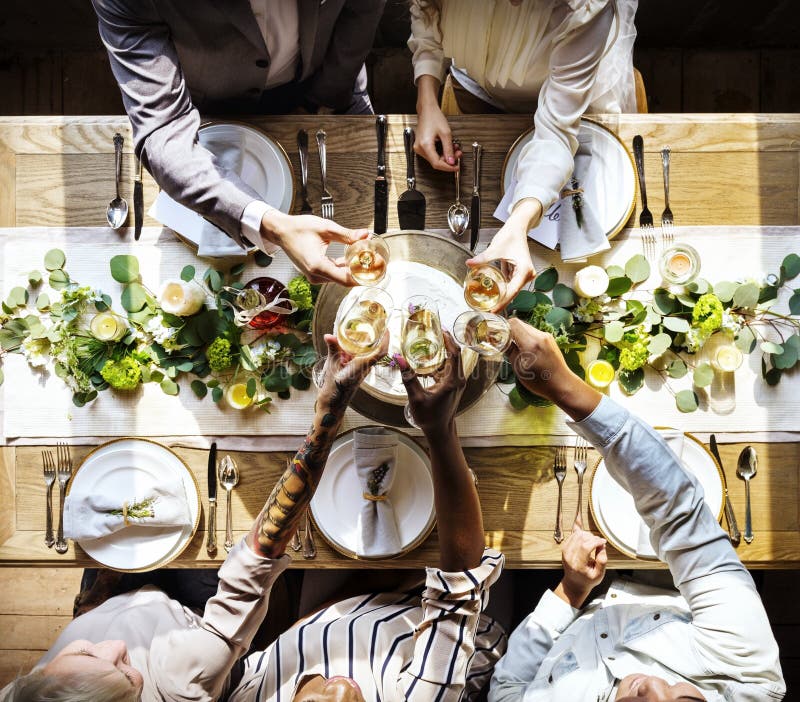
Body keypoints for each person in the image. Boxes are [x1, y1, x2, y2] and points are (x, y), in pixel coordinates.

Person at [1, 331, 389, 702]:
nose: (115, 646)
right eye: (125, 671)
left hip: (116, 600)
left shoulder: (23, 694)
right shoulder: (184, 682)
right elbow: (258, 557)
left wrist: (95, 604)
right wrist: (328, 412)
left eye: (84, 654)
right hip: (194, 614)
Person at [488, 318, 785, 702]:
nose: (649, 685)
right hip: (675, 591)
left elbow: (506, 689)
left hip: (572, 608)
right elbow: (678, 510)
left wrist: (570, 591)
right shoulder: (750, 676)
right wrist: (563, 386)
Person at [227, 332, 506, 702]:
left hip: (334, 616)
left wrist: (330, 407)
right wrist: (440, 430)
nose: (341, 688)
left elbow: (254, 564)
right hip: (445, 629)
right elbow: (460, 584)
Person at [90, 0, 386, 283]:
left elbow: (360, 12)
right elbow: (164, 130)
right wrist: (273, 225)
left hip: (323, 82)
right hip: (201, 106)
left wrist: (322, 100)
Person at [408, 0, 638, 309]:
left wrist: (518, 222)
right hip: (476, 87)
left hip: (570, 97)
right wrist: (427, 101)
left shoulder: (589, 7)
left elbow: (556, 130)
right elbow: (427, 10)